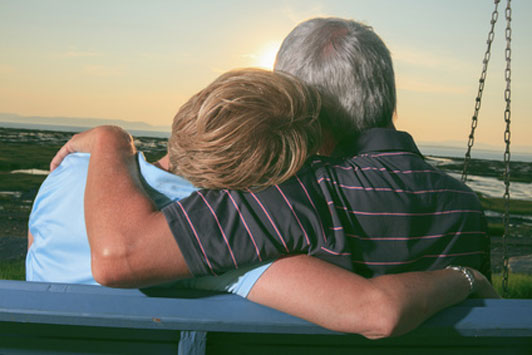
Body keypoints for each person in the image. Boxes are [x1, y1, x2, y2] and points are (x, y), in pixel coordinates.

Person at [47, 17, 497, 338]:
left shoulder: (294, 194)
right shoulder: (465, 206)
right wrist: (467, 277)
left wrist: (112, 140)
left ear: (303, 107)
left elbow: (121, 255)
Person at [27, 68, 319, 292]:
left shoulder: (74, 166)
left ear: (189, 111)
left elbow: (35, 247)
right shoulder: (212, 243)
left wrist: (111, 137)